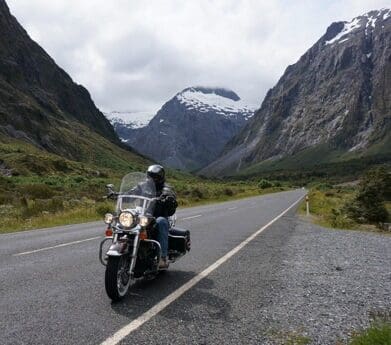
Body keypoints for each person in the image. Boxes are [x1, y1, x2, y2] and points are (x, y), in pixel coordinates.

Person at [146, 164, 177, 268]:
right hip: (144, 215)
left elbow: (169, 193)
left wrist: (167, 197)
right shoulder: (144, 185)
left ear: (160, 178)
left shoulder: (166, 188)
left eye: (155, 177)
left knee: (161, 221)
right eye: (150, 176)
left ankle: (163, 258)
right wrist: (118, 194)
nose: (152, 179)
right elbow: (132, 192)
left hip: (159, 216)